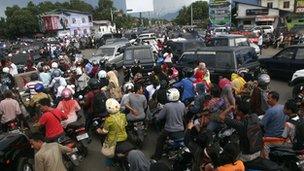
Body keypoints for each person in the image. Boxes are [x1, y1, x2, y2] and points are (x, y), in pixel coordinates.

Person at [219, 98, 263, 165]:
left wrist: (229, 108)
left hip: (247, 156)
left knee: (229, 160)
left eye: (237, 110)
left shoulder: (240, 125)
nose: (235, 111)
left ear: (240, 112)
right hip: (258, 151)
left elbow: (221, 116)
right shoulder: (255, 116)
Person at [152, 88, 186, 160]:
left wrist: (156, 116)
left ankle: (157, 157)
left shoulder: (167, 106)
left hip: (169, 129)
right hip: (180, 129)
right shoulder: (182, 105)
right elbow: (184, 114)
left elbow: (160, 117)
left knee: (160, 140)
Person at [96, 98, 129, 171]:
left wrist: (99, 130)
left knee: (108, 155)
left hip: (114, 140)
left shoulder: (109, 120)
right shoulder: (123, 115)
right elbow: (125, 124)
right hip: (124, 137)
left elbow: (104, 131)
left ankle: (108, 168)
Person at [261, 91, 288, 158]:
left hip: (271, 137)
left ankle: (265, 159)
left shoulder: (270, 111)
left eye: (269, 98)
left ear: (274, 99)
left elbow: (262, 124)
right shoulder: (283, 107)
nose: (267, 100)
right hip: (282, 136)